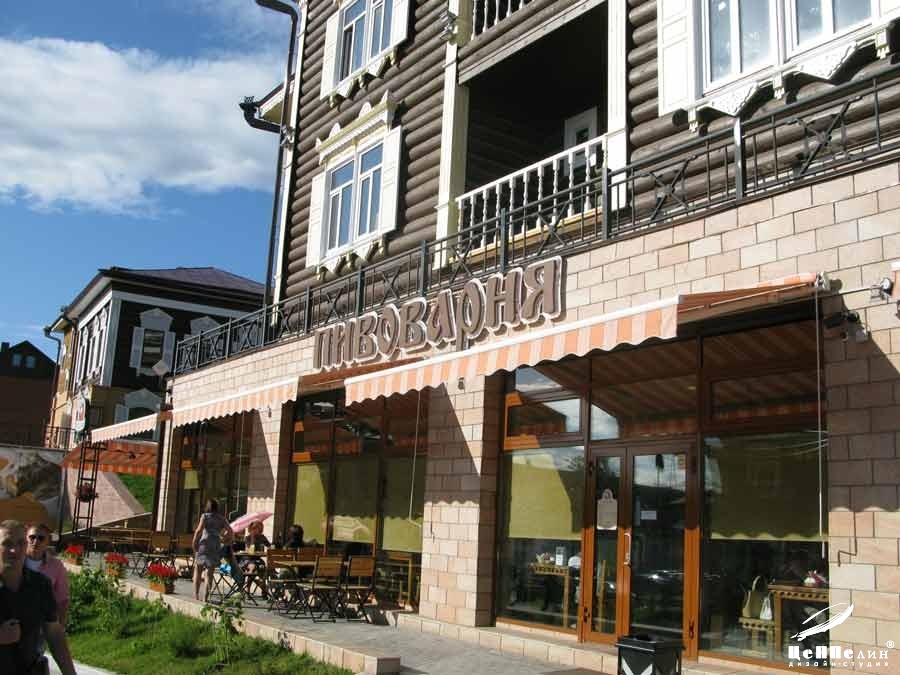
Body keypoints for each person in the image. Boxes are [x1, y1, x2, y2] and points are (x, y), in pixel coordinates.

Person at [0, 519, 76, 675]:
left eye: (21, 543)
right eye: (7, 544)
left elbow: (54, 634)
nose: (14, 550)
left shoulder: (41, 585)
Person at [25, 524, 70, 627]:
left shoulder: (56, 566)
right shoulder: (17, 561)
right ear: (26, 538)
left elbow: (62, 598)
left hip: (43, 622)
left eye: (41, 538)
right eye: (32, 537)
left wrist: (61, 625)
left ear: (48, 542)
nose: (36, 541)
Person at [192, 499, 232, 601]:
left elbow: (199, 530)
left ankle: (196, 595)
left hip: (204, 543)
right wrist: (224, 539)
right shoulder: (222, 518)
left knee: (198, 570)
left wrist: (194, 542)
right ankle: (205, 597)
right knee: (209, 573)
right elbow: (230, 531)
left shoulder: (205, 516)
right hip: (215, 544)